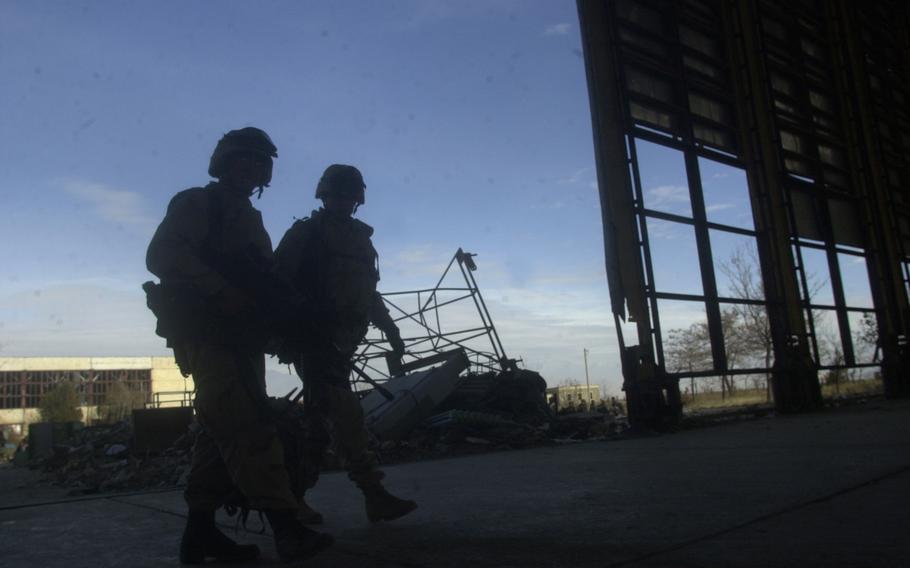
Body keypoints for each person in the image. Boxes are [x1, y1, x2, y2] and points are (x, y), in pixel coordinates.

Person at [145, 127, 333, 564]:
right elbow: (162, 255)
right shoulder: (197, 202)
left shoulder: (250, 218)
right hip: (208, 335)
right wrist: (219, 289)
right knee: (248, 428)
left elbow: (263, 283)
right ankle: (287, 528)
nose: (253, 168)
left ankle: (199, 534)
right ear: (224, 162)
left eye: (261, 162)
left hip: (240, 338)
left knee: (218, 434)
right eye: (244, 159)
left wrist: (287, 322)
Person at [275, 164, 417, 524]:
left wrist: (391, 330)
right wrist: (299, 324)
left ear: (358, 200)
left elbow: (368, 293)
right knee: (345, 417)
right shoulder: (306, 234)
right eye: (336, 195)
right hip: (314, 342)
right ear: (323, 195)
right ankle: (372, 493)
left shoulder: (361, 240)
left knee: (320, 424)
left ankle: (294, 499)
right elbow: (275, 283)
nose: (343, 201)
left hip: (344, 343)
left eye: (349, 196)